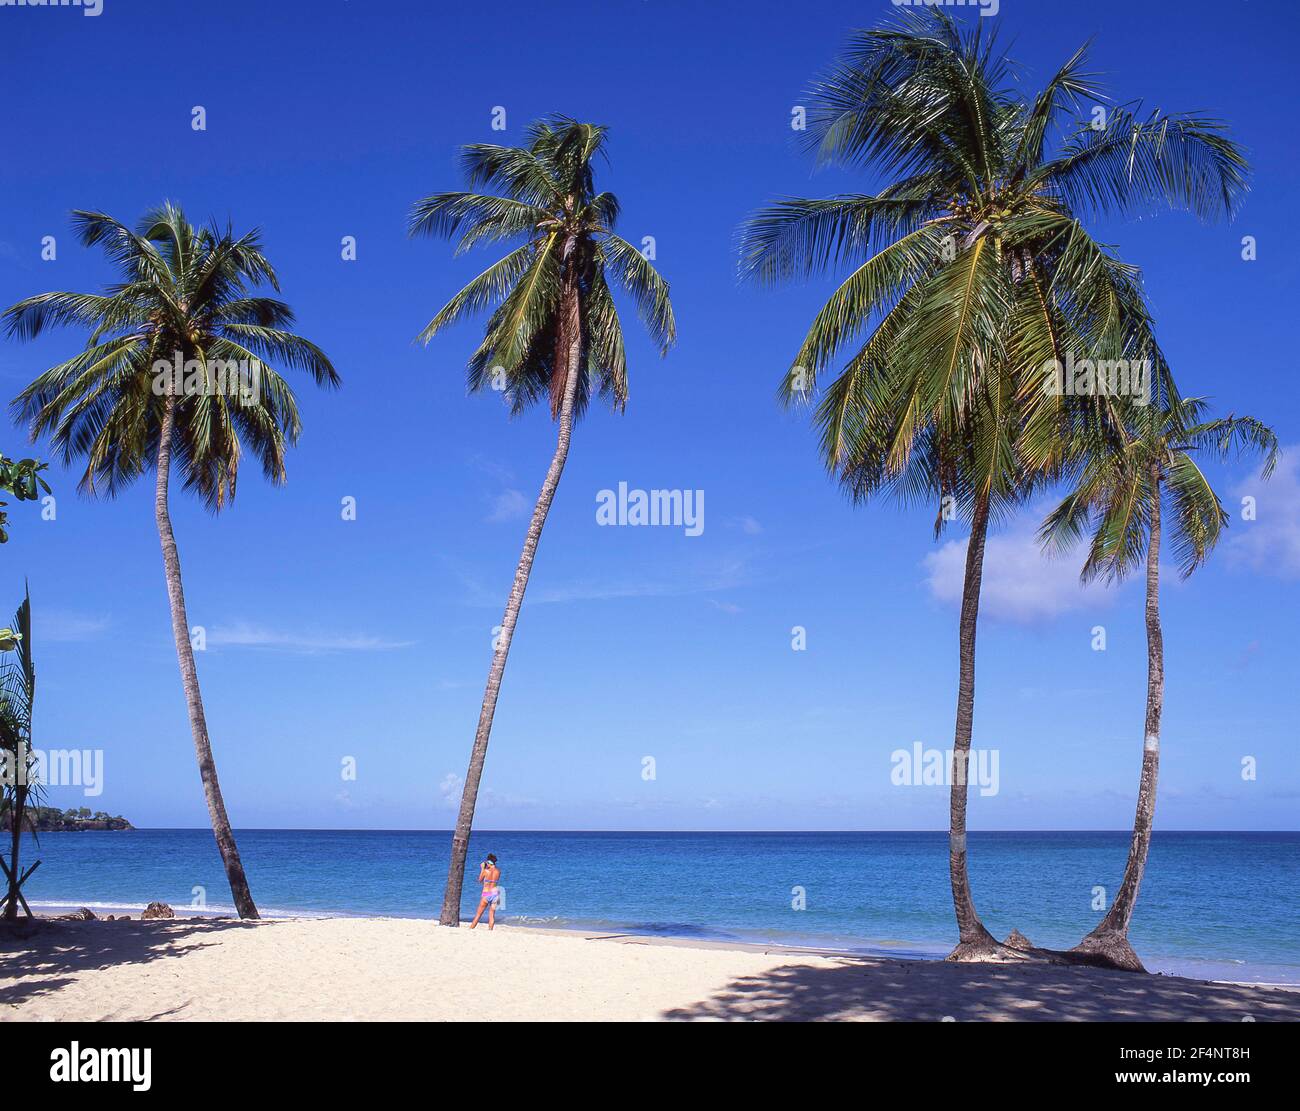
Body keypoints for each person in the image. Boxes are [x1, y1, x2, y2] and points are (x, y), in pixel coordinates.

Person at [469, 853, 500, 930]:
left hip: (486, 894)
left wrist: (482, 868)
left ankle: (471, 929)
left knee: (478, 914)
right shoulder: (498, 871)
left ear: (489, 862)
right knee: (492, 915)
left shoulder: (486, 871)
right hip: (495, 894)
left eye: (487, 863)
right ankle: (490, 930)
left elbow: (480, 880)